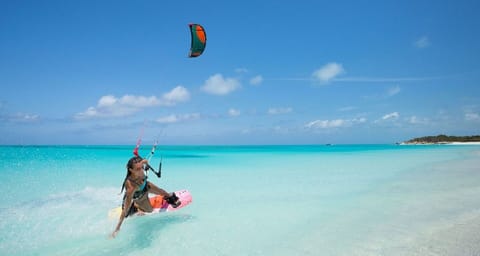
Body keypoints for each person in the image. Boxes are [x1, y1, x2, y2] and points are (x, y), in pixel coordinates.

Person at [111, 156, 181, 238]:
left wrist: (146, 163)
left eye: (142, 168)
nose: (141, 171)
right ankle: (136, 207)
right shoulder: (131, 187)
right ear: (131, 170)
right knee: (149, 210)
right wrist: (117, 228)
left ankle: (169, 197)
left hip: (146, 185)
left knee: (162, 191)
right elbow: (125, 208)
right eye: (137, 169)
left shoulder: (141, 164)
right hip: (139, 196)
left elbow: (145, 161)